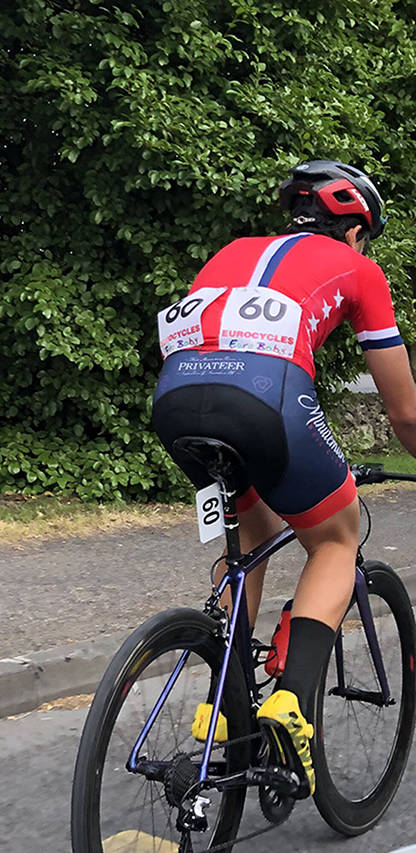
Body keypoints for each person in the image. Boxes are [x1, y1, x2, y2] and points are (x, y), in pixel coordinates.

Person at [150, 160, 416, 796]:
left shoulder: (231, 252)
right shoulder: (359, 268)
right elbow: (403, 409)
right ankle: (290, 702)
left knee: (251, 528)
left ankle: (225, 698)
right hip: (267, 401)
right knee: (334, 538)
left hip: (177, 400)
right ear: (356, 228)